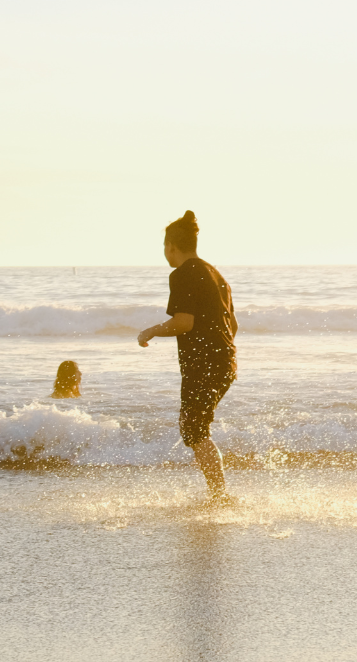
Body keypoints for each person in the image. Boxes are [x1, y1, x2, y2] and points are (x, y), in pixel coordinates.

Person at [137, 211, 237, 504]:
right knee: (194, 428)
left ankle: (220, 496)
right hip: (225, 361)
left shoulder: (182, 274)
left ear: (171, 246)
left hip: (204, 363)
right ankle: (219, 494)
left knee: (194, 430)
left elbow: (184, 322)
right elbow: (234, 325)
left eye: (165, 247)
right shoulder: (216, 274)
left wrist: (151, 331)